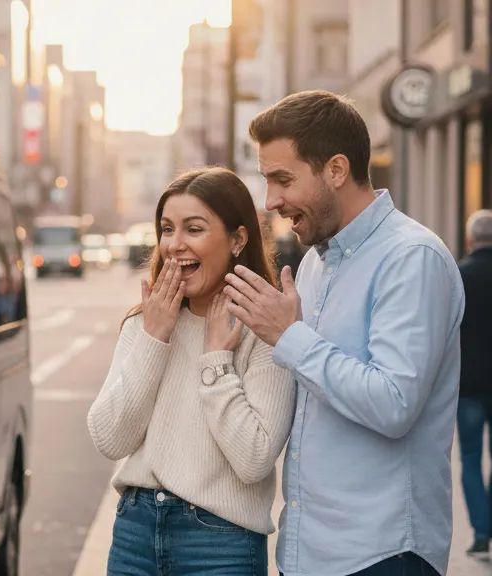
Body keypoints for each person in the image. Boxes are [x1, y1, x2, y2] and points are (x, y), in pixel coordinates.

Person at [225, 90, 464, 576]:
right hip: (309, 552)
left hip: (382, 553)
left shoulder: (411, 257)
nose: (271, 201)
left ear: (336, 170)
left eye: (283, 179)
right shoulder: (314, 262)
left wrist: (289, 338)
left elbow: (394, 402)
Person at [88, 167, 296, 575]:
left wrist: (217, 361)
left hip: (220, 544)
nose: (174, 245)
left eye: (193, 229)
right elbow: (110, 438)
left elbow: (254, 460)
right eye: (167, 229)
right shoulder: (145, 324)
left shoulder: (265, 330)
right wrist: (154, 338)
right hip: (135, 533)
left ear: (237, 239)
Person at [458, 209, 492, 557]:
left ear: (470, 241)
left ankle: (482, 533)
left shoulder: (460, 276)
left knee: (469, 457)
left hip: (468, 384)